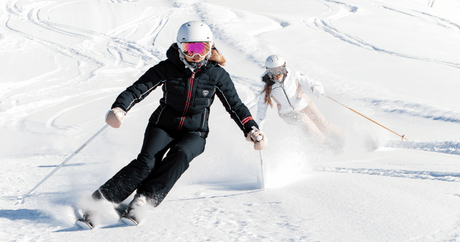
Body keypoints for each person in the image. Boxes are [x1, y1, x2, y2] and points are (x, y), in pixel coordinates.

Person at [76, 21, 267, 229]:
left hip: (195, 132)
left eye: (201, 48)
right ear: (180, 47)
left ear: (210, 48)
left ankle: (144, 199)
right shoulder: (168, 67)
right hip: (163, 125)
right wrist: (119, 109)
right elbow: (138, 88)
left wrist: (251, 128)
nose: (195, 55)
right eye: (189, 49)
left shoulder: (216, 74)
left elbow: (235, 105)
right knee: (145, 164)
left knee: (181, 154)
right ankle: (99, 202)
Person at [256, 54, 344, 146]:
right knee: (303, 119)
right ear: (268, 71)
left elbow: (310, 82)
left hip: (304, 104)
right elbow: (262, 106)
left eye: (280, 69)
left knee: (324, 125)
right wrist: (259, 124)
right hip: (287, 113)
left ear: (284, 66)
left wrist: (317, 87)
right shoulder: (266, 85)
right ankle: (325, 145)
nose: (277, 74)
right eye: (273, 72)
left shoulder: (293, 75)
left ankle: (345, 138)